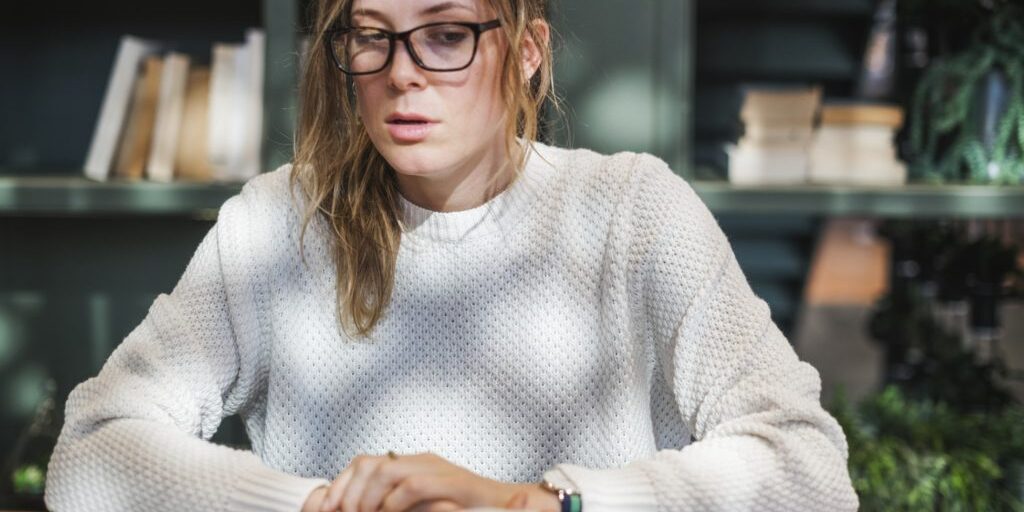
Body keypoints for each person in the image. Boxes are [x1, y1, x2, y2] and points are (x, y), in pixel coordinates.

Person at [44, 0, 860, 510]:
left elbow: (807, 470)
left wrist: (541, 506)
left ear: (528, 50)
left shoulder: (633, 212)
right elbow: (92, 453)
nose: (403, 75)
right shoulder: (276, 222)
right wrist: (331, 507)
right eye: (373, 37)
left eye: (445, 36)